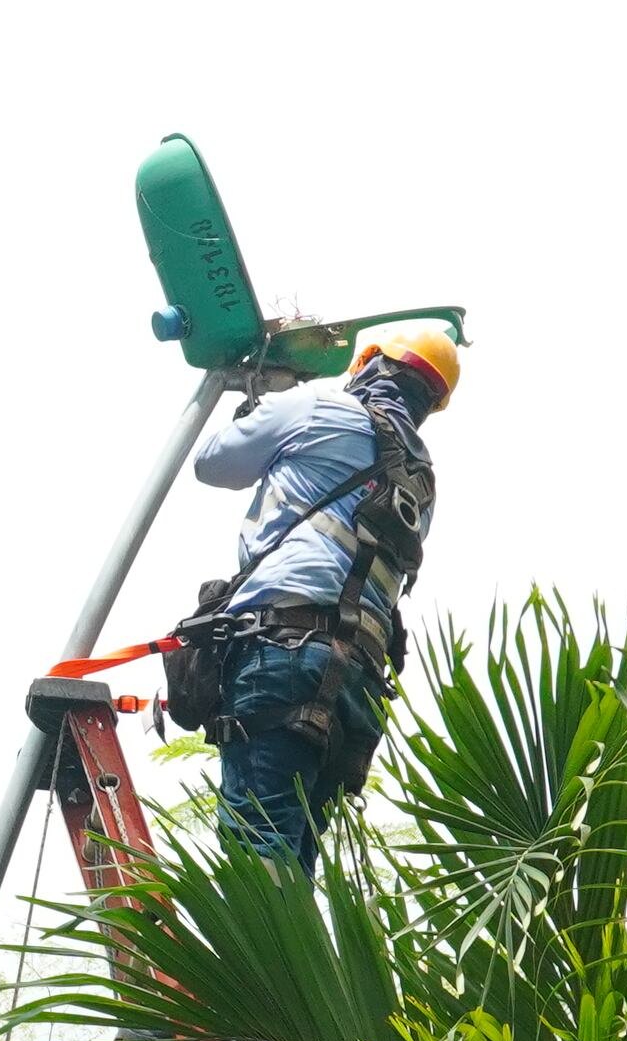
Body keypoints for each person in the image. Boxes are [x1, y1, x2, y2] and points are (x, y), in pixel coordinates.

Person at [178, 324, 456, 862]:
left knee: (258, 856)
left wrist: (259, 412)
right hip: (357, 685)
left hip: (284, 653)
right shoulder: (423, 486)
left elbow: (212, 464)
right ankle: (287, 946)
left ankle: (255, 947)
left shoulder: (315, 409)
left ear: (369, 364)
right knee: (292, 857)